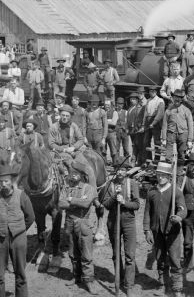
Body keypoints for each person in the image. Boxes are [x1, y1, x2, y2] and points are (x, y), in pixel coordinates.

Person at [0, 164, 35, 297]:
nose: (3, 184)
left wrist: (19, 229)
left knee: (20, 273)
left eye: (6, 181)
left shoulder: (21, 195)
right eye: (1, 182)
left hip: (18, 239)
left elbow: (30, 217)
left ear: (11, 181)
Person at [143, 161, 187, 297]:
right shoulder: (152, 192)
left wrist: (178, 217)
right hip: (157, 232)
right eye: (159, 175)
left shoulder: (176, 191)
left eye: (164, 175)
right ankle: (163, 284)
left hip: (172, 232)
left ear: (169, 177)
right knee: (160, 259)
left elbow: (183, 209)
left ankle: (177, 288)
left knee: (174, 259)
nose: (161, 177)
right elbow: (146, 213)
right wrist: (147, 230)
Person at [102, 158, 140, 297]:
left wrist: (124, 202)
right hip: (113, 221)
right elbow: (105, 204)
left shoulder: (132, 183)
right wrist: (114, 197)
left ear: (126, 171)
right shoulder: (109, 184)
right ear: (115, 171)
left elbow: (137, 205)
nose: (120, 172)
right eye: (118, 169)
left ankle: (128, 284)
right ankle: (119, 278)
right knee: (116, 253)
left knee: (130, 255)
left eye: (123, 170)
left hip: (129, 221)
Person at [58, 161, 98, 294]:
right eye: (72, 173)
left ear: (82, 175)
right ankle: (76, 277)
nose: (73, 176)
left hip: (83, 223)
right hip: (69, 223)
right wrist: (76, 202)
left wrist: (70, 200)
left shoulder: (89, 188)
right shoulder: (66, 187)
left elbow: (86, 204)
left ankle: (89, 281)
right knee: (72, 253)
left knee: (86, 254)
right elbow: (60, 204)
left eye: (76, 174)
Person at [161, 89, 194, 162]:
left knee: (181, 153)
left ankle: (179, 172)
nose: (177, 99)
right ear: (173, 98)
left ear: (182, 99)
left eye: (179, 98)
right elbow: (164, 124)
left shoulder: (186, 110)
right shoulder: (168, 110)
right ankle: (167, 171)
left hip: (183, 134)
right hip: (171, 132)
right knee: (168, 154)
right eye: (176, 97)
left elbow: (190, 126)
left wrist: (190, 140)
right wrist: (163, 138)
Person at [142, 86, 165, 156]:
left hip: (156, 124)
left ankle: (157, 160)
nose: (152, 92)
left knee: (157, 142)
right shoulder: (148, 101)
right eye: (150, 91)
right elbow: (145, 113)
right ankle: (148, 160)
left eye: (153, 91)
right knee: (146, 142)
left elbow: (160, 113)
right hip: (148, 123)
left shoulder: (160, 100)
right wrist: (143, 124)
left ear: (156, 92)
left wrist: (154, 123)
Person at [127, 91, 146, 166]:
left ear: (137, 100)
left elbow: (139, 119)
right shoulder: (130, 108)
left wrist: (138, 127)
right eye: (131, 99)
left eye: (134, 99)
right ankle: (135, 161)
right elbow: (128, 119)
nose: (132, 100)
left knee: (138, 145)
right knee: (134, 145)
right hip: (131, 130)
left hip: (137, 129)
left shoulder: (139, 108)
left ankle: (137, 161)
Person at [115, 97, 131, 161]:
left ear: (123, 104)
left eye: (121, 104)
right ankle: (117, 161)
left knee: (126, 148)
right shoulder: (115, 112)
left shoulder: (126, 112)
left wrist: (127, 129)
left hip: (124, 131)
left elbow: (128, 121)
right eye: (119, 104)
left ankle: (126, 161)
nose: (120, 105)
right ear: (117, 104)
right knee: (117, 148)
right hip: (117, 131)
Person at [104, 99, 120, 164]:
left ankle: (115, 164)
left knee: (113, 150)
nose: (106, 106)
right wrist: (109, 121)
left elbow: (113, 123)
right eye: (105, 104)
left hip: (111, 133)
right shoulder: (102, 112)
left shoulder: (114, 112)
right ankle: (104, 164)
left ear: (110, 105)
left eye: (108, 105)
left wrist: (104, 122)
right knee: (103, 150)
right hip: (103, 134)